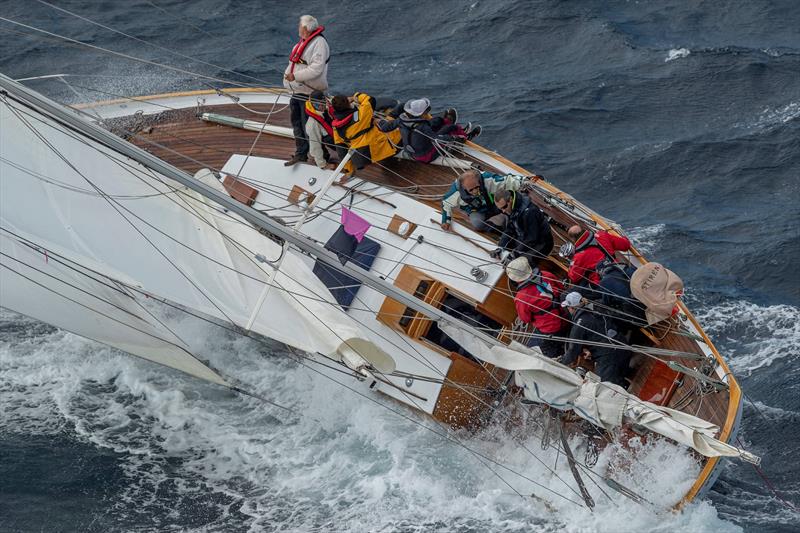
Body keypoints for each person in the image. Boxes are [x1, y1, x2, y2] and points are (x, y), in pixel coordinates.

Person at [283, 15, 330, 167]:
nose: (298, 27)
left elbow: (317, 69)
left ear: (305, 29)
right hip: (297, 92)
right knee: (297, 124)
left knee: (310, 128)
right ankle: (301, 154)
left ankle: (323, 156)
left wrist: (295, 76)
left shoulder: (319, 43)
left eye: (300, 25)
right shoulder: (301, 44)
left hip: (309, 94)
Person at [559, 291, 631, 387]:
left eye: (567, 307)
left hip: (610, 357)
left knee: (603, 386)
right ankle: (623, 379)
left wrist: (560, 363)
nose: (567, 309)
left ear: (572, 308)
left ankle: (622, 385)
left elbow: (572, 351)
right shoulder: (597, 307)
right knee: (618, 372)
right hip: (623, 345)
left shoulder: (579, 324)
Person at [376, 99, 481, 163]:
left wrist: (378, 122)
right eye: (427, 110)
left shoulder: (400, 120)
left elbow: (385, 128)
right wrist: (453, 138)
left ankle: (446, 120)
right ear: (421, 113)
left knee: (435, 120)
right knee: (448, 129)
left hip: (411, 153)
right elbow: (437, 139)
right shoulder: (422, 127)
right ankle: (465, 135)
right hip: (425, 156)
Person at [506, 257, 569, 358]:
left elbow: (525, 319)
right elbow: (562, 290)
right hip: (567, 315)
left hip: (552, 328)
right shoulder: (546, 274)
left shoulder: (521, 298)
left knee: (540, 352)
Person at [329, 93, 401, 174]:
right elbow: (370, 99)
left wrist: (349, 170)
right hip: (379, 150)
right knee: (401, 126)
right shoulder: (360, 115)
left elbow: (341, 149)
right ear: (349, 103)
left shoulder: (336, 126)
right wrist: (354, 96)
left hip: (362, 157)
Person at [440, 169, 526, 232]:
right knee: (477, 223)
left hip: (494, 204)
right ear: (464, 188)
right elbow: (446, 203)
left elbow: (507, 180)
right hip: (476, 211)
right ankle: (497, 229)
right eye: (471, 190)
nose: (475, 191)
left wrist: (522, 181)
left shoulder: (487, 179)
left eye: (477, 187)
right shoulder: (455, 192)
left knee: (509, 205)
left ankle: (511, 220)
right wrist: (445, 221)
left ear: (479, 181)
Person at [490, 189, 554, 265]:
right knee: (506, 248)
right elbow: (510, 229)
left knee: (522, 263)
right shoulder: (511, 208)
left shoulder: (530, 212)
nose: (503, 211)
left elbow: (531, 239)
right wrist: (500, 247)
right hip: (524, 237)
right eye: (500, 209)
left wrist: (514, 254)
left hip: (541, 242)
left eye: (504, 207)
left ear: (510, 199)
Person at [566, 225, 631, 288]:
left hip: (601, 284)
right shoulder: (602, 235)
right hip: (618, 270)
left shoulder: (578, 257)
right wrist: (624, 238)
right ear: (584, 230)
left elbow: (574, 277)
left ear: (573, 239)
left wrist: (571, 262)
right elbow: (626, 245)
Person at [595, 259, 647, 329]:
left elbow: (606, 302)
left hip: (637, 312)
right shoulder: (628, 269)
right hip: (647, 299)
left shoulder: (604, 282)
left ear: (601, 271)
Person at [304, 91, 336, 169]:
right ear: (313, 104)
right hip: (333, 140)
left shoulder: (329, 105)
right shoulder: (312, 124)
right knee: (317, 144)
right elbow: (315, 146)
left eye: (323, 102)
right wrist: (322, 164)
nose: (322, 106)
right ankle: (322, 163)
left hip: (338, 131)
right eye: (317, 104)